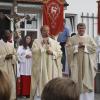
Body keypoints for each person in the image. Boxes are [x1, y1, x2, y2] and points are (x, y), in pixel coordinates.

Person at [30, 25, 62, 99]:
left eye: (48, 30)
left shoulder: (54, 42)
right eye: (44, 30)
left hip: (51, 68)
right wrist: (42, 46)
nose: (46, 32)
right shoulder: (36, 41)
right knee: (40, 85)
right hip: (41, 68)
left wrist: (52, 53)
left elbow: (59, 53)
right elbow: (34, 52)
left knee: (51, 84)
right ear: (41, 32)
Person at [68, 23, 97, 100]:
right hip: (76, 62)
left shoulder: (89, 38)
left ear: (85, 29)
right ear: (77, 29)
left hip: (87, 63)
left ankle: (87, 98)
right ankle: (77, 97)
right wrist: (77, 46)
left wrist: (85, 46)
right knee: (76, 78)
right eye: (80, 28)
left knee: (87, 77)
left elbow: (94, 48)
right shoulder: (72, 38)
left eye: (83, 28)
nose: (81, 30)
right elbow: (68, 49)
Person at [0, 29, 16, 100]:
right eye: (7, 34)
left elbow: (15, 55)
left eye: (9, 33)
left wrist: (12, 56)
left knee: (11, 84)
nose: (9, 35)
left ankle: (11, 97)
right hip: (2, 68)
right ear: (3, 35)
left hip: (10, 67)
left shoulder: (11, 44)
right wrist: (4, 57)